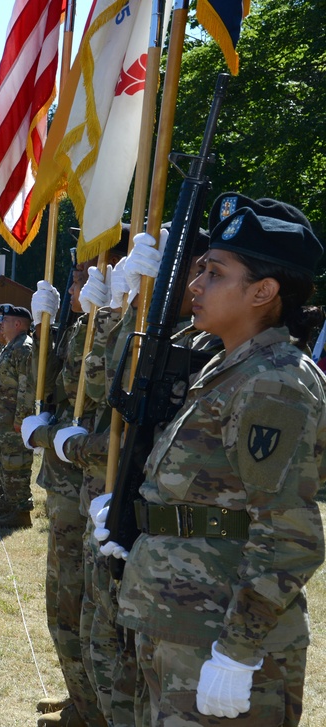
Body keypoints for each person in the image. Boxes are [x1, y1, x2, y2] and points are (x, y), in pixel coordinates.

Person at [111, 202, 326, 725]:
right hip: (177, 620)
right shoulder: (226, 365)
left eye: (215, 273)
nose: (195, 285)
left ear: (263, 292)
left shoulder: (273, 382)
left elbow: (289, 535)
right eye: (201, 269)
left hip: (219, 635)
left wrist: (237, 652)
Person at [0, 306, 35, 527]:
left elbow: (26, 387)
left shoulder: (24, 348)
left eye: (6, 320)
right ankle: (11, 503)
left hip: (13, 421)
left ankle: (21, 512)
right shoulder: (11, 346)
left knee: (17, 465)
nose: (0, 324)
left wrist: (21, 420)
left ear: (18, 324)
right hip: (3, 420)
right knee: (7, 464)